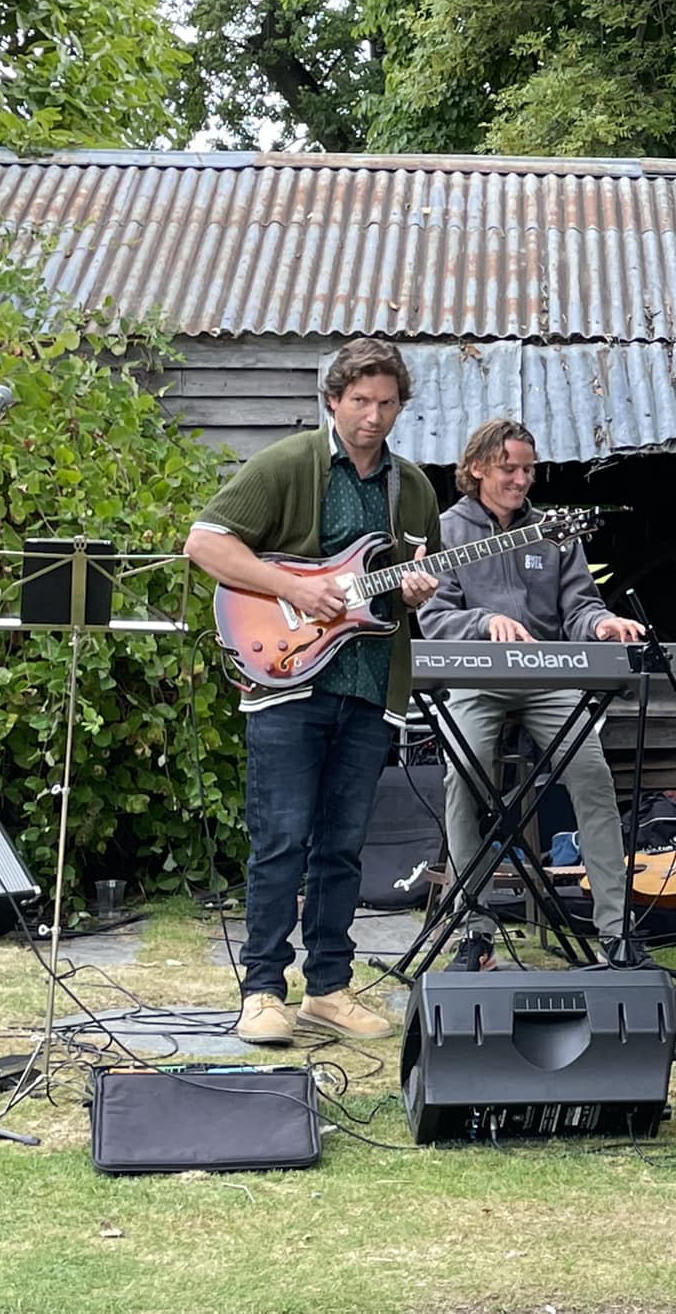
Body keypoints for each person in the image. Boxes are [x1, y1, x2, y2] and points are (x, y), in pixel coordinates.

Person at [184, 337, 442, 1046]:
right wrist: (296, 588)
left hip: (366, 686)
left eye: (387, 403)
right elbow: (205, 543)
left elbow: (404, 592)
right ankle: (263, 989)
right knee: (281, 840)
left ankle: (329, 987)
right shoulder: (290, 463)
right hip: (285, 682)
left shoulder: (413, 489)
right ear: (333, 400)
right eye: (360, 401)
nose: (373, 416)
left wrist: (418, 591)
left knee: (343, 848)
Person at [420, 419, 649, 972]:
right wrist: (486, 622)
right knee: (463, 775)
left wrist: (600, 624)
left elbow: (579, 606)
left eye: (528, 469)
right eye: (509, 469)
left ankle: (615, 934)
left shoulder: (554, 530)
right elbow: (433, 617)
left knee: (593, 775)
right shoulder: (443, 530)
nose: (521, 479)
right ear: (476, 468)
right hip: (476, 677)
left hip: (549, 676)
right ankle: (473, 933)